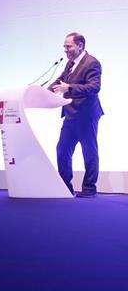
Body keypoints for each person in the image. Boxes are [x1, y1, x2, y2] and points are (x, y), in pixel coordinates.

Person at [47, 32, 103, 196]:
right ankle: (65, 186)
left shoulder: (92, 63)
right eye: (64, 46)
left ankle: (89, 188)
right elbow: (60, 80)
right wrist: (41, 92)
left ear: (80, 45)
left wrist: (69, 88)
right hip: (71, 114)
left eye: (69, 46)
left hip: (86, 115)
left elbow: (94, 87)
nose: (65, 50)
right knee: (62, 150)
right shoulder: (70, 63)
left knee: (89, 152)